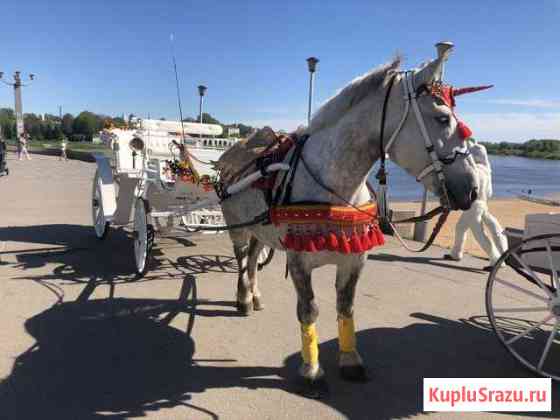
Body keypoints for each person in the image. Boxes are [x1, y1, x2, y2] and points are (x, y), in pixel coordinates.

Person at [444, 139, 508, 270]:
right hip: (482, 203)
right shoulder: (486, 171)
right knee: (460, 228)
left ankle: (496, 260)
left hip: (474, 205)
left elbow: (467, 189)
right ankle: (456, 252)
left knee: (479, 233)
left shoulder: (474, 171)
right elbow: (489, 192)